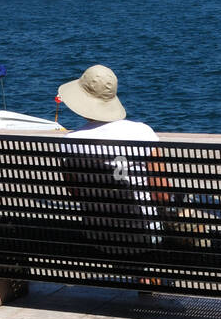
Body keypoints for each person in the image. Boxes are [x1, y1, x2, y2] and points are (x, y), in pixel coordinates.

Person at [58, 64, 171, 254]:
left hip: (97, 235)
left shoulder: (69, 143)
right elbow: (162, 195)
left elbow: (74, 192)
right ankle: (149, 275)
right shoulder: (142, 133)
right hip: (143, 235)